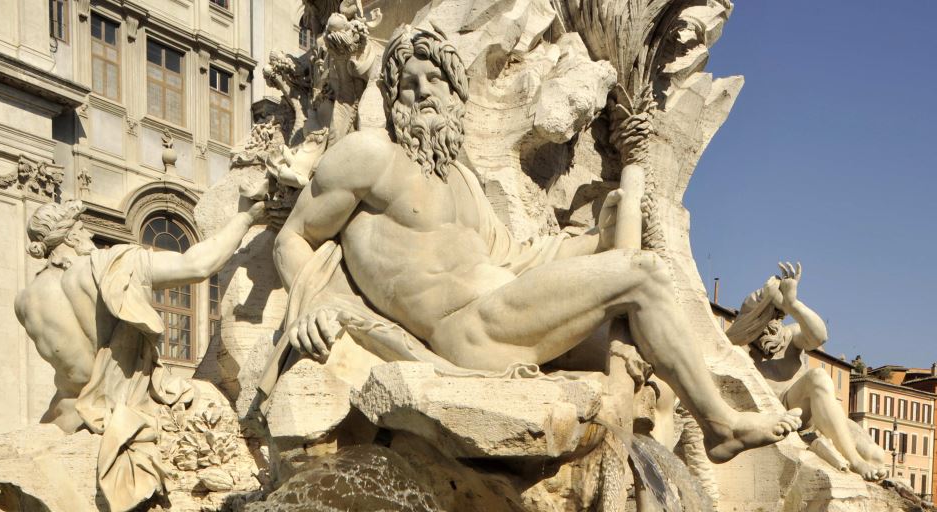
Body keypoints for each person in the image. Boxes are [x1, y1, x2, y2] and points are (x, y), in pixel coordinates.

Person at [271, 25, 802, 464]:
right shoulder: (370, 156)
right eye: (408, 83)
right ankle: (720, 425)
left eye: (435, 79)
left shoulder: (463, 182)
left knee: (641, 353)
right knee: (643, 275)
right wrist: (311, 303)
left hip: (504, 312)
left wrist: (597, 236)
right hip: (466, 330)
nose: (423, 91)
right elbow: (293, 237)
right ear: (392, 99)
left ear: (456, 96)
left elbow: (522, 260)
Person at [14, 184, 267, 511]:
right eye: (84, 230)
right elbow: (198, 265)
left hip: (68, 415)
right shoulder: (110, 264)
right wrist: (246, 217)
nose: (89, 237)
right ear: (72, 235)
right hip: (127, 408)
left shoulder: (25, 301)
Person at [728, 263, 887, 480]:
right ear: (752, 322)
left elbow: (819, 336)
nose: (773, 323)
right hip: (783, 412)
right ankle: (855, 462)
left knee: (876, 455)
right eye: (767, 317)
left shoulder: (789, 337)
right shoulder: (741, 352)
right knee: (818, 376)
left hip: (815, 414)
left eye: (778, 316)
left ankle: (860, 460)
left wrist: (793, 304)